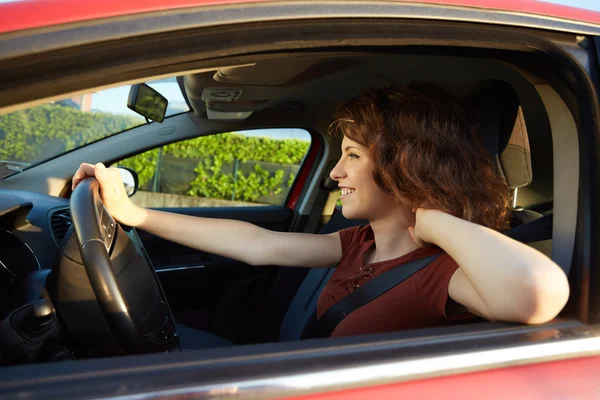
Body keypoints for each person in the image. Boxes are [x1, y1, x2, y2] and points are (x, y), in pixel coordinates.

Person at [72, 83, 570, 338]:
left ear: (406, 168)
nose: (335, 173)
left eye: (352, 156)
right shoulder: (358, 243)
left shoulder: (445, 275)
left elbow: (535, 296)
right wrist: (134, 213)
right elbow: (256, 242)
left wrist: (434, 220)